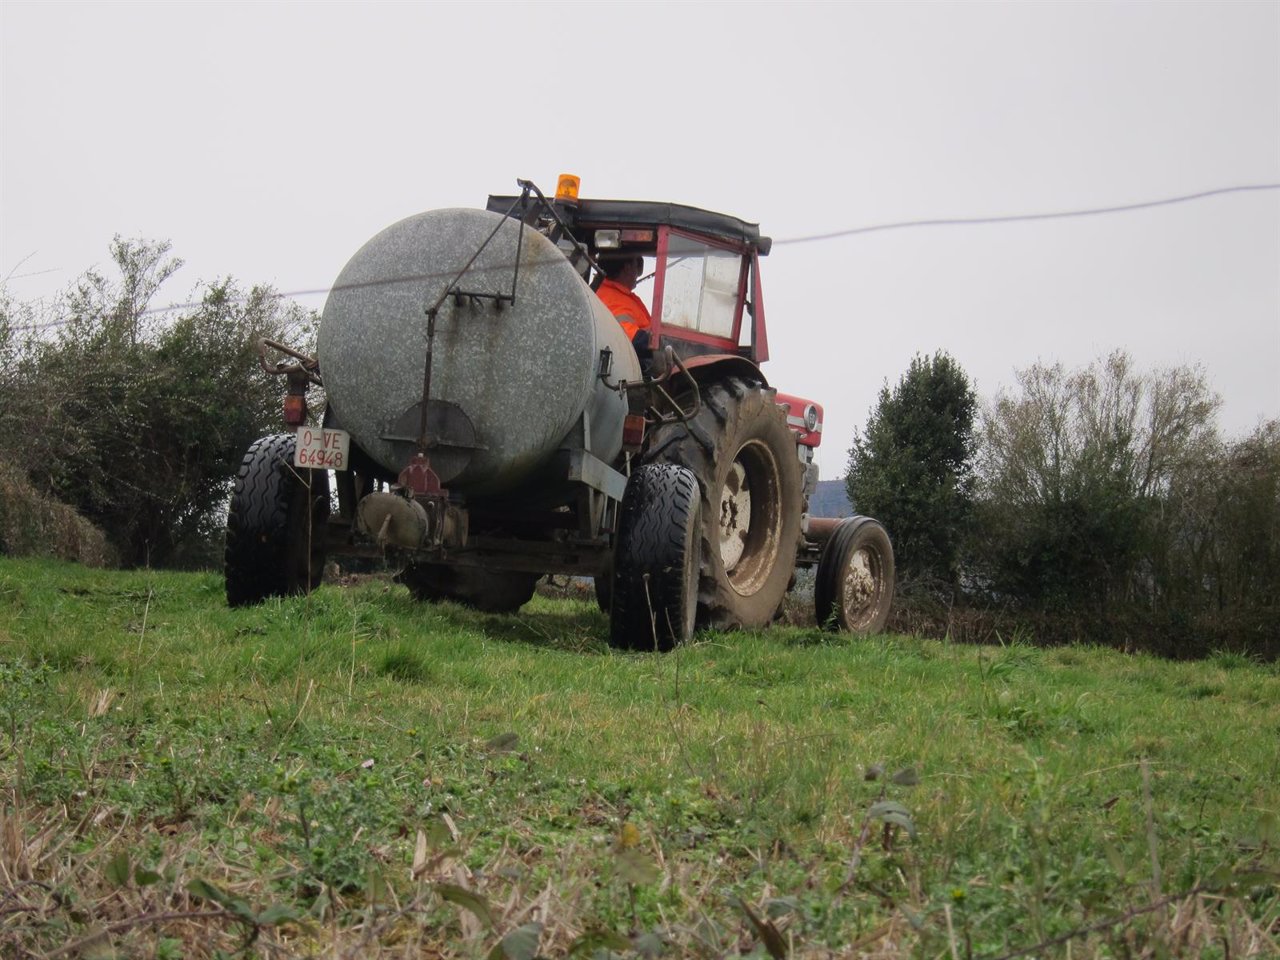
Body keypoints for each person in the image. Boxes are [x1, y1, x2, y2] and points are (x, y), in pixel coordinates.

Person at [595, 253, 652, 349]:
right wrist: (658, 342)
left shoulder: (620, 295)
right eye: (636, 264)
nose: (637, 271)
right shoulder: (611, 297)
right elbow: (629, 338)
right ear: (627, 267)